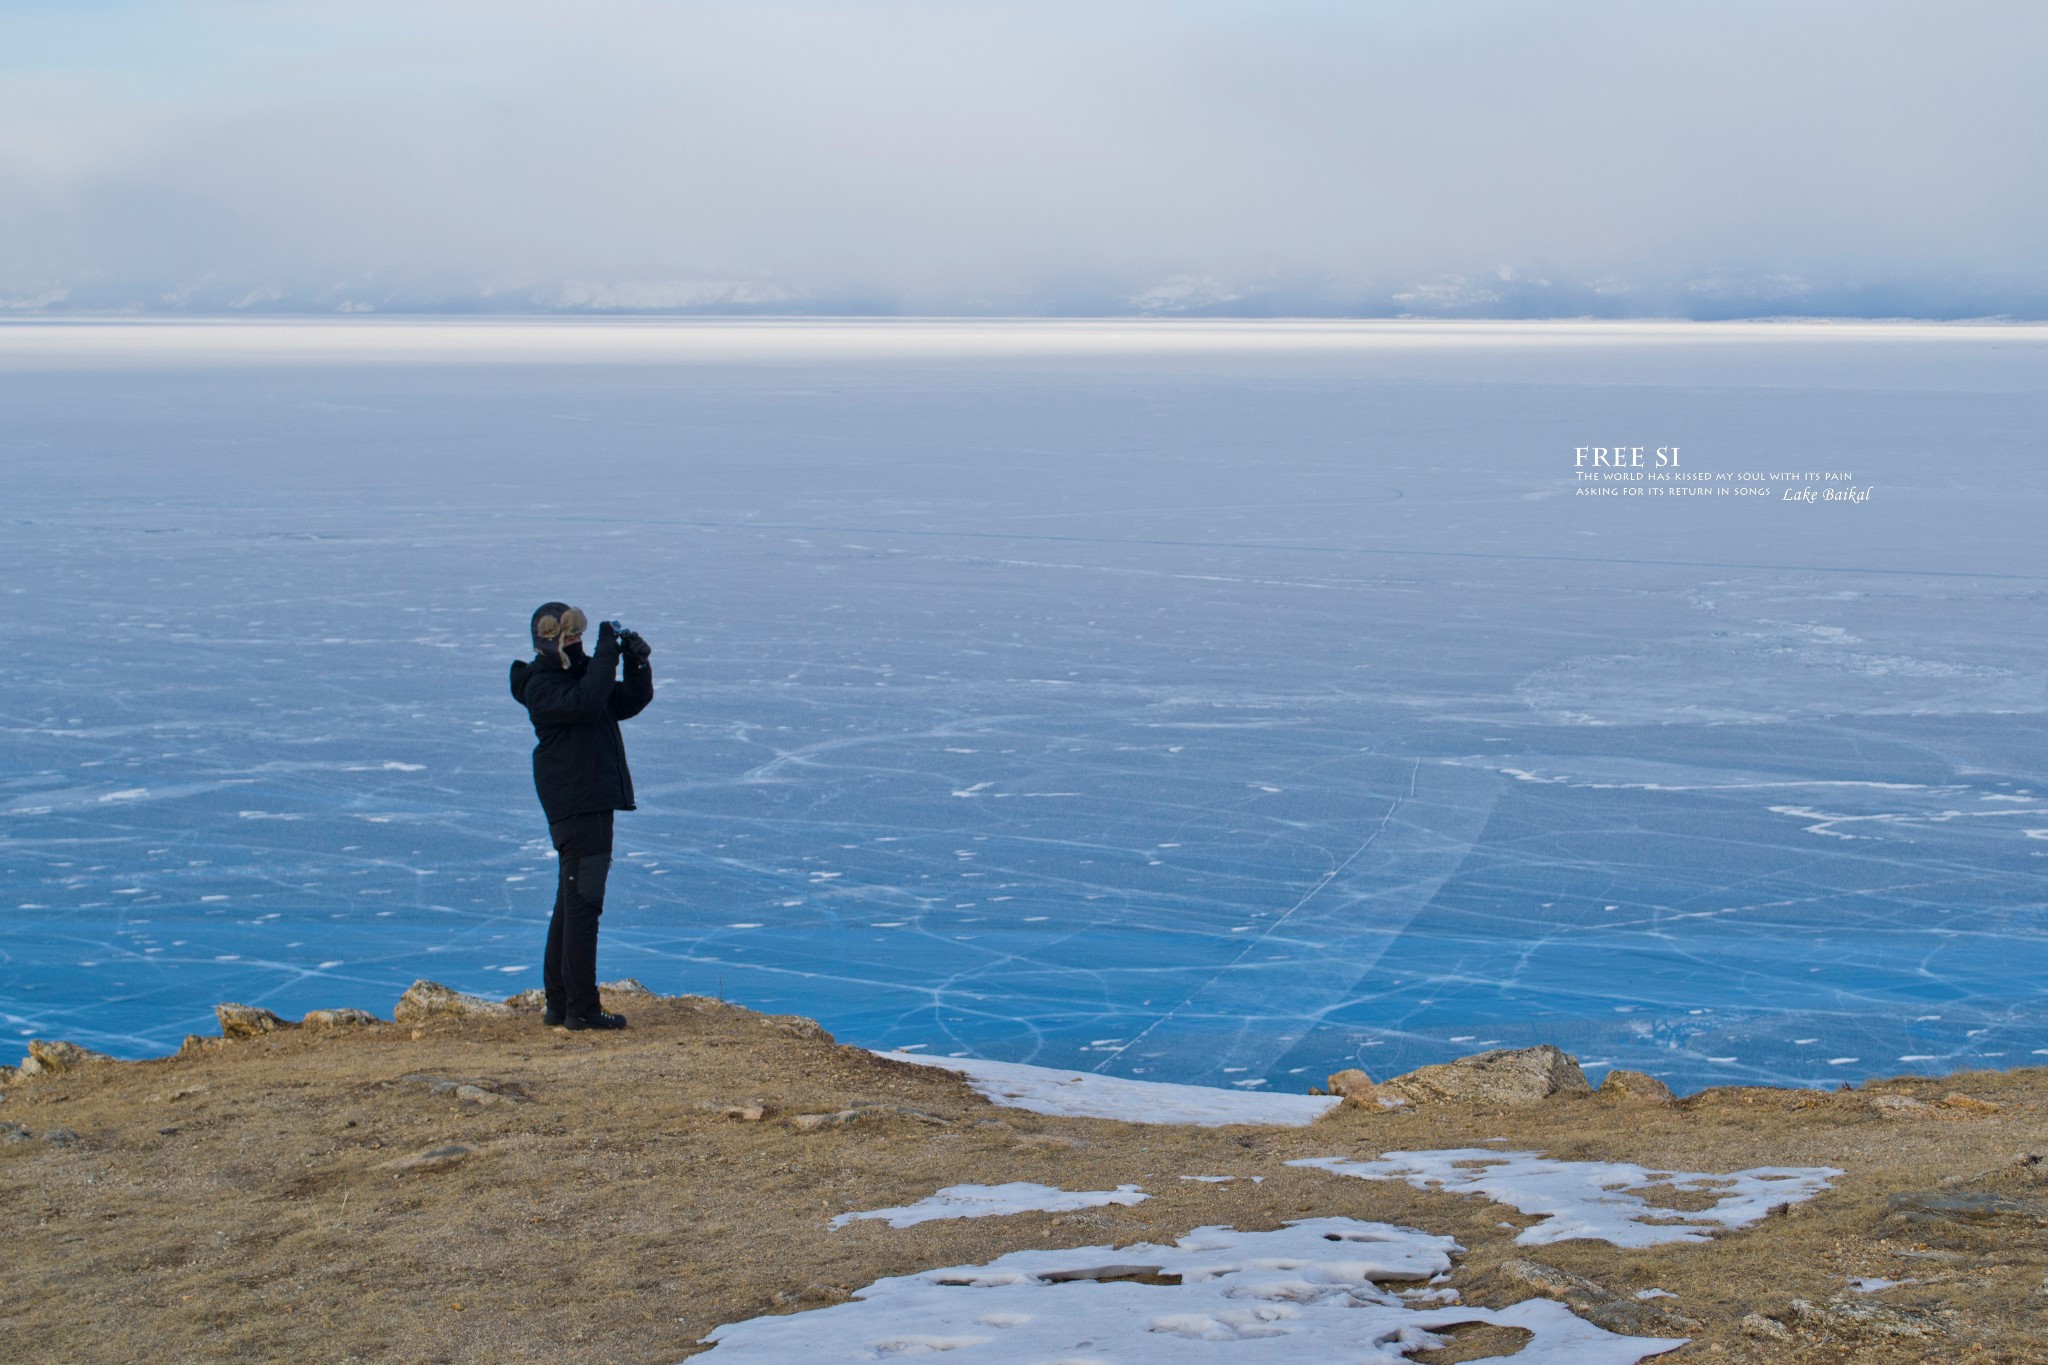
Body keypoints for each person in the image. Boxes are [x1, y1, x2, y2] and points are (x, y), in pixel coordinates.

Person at [509, 603, 654, 1030]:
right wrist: (608, 651)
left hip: (586, 802)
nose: (575, 645)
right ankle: (582, 1008)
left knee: (570, 904)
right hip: (578, 804)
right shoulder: (542, 686)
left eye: (578, 638)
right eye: (566, 639)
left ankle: (560, 1004)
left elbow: (628, 699)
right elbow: (590, 699)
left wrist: (636, 661)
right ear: (545, 643)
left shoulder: (579, 675)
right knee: (584, 904)